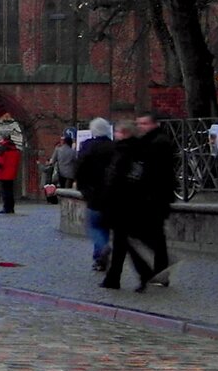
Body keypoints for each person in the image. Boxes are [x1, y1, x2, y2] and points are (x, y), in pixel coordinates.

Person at [103, 111, 178, 291]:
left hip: (147, 199)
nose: (140, 127)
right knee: (132, 239)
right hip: (143, 199)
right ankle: (125, 276)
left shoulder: (154, 144)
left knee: (141, 238)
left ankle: (153, 272)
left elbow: (150, 174)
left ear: (154, 124)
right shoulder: (145, 144)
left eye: (144, 123)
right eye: (138, 124)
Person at [73, 117, 117, 271]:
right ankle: (100, 258)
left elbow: (79, 168)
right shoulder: (114, 147)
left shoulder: (88, 146)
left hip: (93, 192)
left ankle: (101, 251)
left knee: (94, 226)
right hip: (111, 193)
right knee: (104, 226)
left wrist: (82, 187)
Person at [0, 134, 22, 213]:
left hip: (3, 172)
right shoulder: (15, 149)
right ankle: (11, 208)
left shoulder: (2, 149)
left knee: (5, 191)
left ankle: (6, 208)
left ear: (3, 139)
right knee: (10, 191)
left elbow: (0, 162)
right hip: (12, 172)